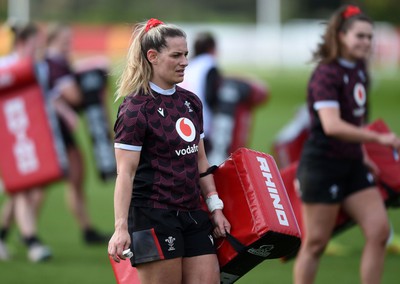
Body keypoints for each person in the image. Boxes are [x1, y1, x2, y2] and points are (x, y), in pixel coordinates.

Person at [107, 19, 231, 284]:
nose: (184, 61)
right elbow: (125, 174)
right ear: (152, 56)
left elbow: (201, 161)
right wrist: (120, 228)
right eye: (176, 55)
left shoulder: (190, 102)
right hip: (153, 216)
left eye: (185, 54)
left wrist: (215, 206)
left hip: (193, 213)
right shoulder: (135, 110)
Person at [293, 5, 400, 284]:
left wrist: (364, 155)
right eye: (360, 36)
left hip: (352, 164)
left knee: (378, 232)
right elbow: (333, 125)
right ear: (341, 36)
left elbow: (356, 121)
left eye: (369, 37)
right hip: (322, 166)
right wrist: (379, 139)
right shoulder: (326, 74)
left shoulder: (361, 70)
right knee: (316, 243)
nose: (366, 42)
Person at [40, 23, 108, 244]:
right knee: (39, 187)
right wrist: (93, 82)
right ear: (52, 41)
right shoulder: (54, 66)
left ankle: (86, 228)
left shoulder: (57, 64)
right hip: (56, 131)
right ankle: (20, 231)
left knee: (74, 179)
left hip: (59, 130)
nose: (69, 44)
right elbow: (75, 97)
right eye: (65, 40)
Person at [0, 23, 52, 262]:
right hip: (8, 139)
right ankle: (32, 242)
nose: (39, 46)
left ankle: (2, 236)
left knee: (26, 189)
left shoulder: (39, 67)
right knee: (20, 188)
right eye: (35, 42)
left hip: (31, 136)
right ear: (23, 42)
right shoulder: (5, 66)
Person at [180, 32, 222, 153]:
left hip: (181, 119)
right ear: (211, 48)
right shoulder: (209, 63)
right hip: (201, 122)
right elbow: (211, 96)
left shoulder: (188, 64)